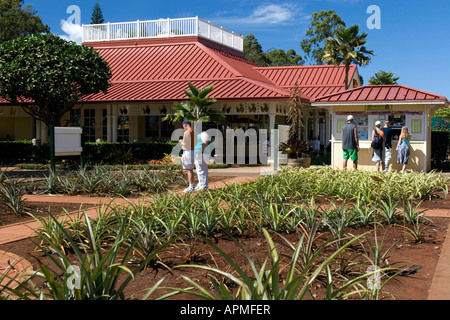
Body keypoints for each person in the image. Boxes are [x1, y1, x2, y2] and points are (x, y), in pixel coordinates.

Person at [179, 120, 195, 193]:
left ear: (185, 125)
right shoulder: (194, 131)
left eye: (183, 126)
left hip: (187, 152)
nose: (184, 127)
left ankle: (191, 186)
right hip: (193, 151)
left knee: (189, 170)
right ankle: (192, 186)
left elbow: (185, 144)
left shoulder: (186, 132)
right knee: (191, 169)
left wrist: (181, 141)